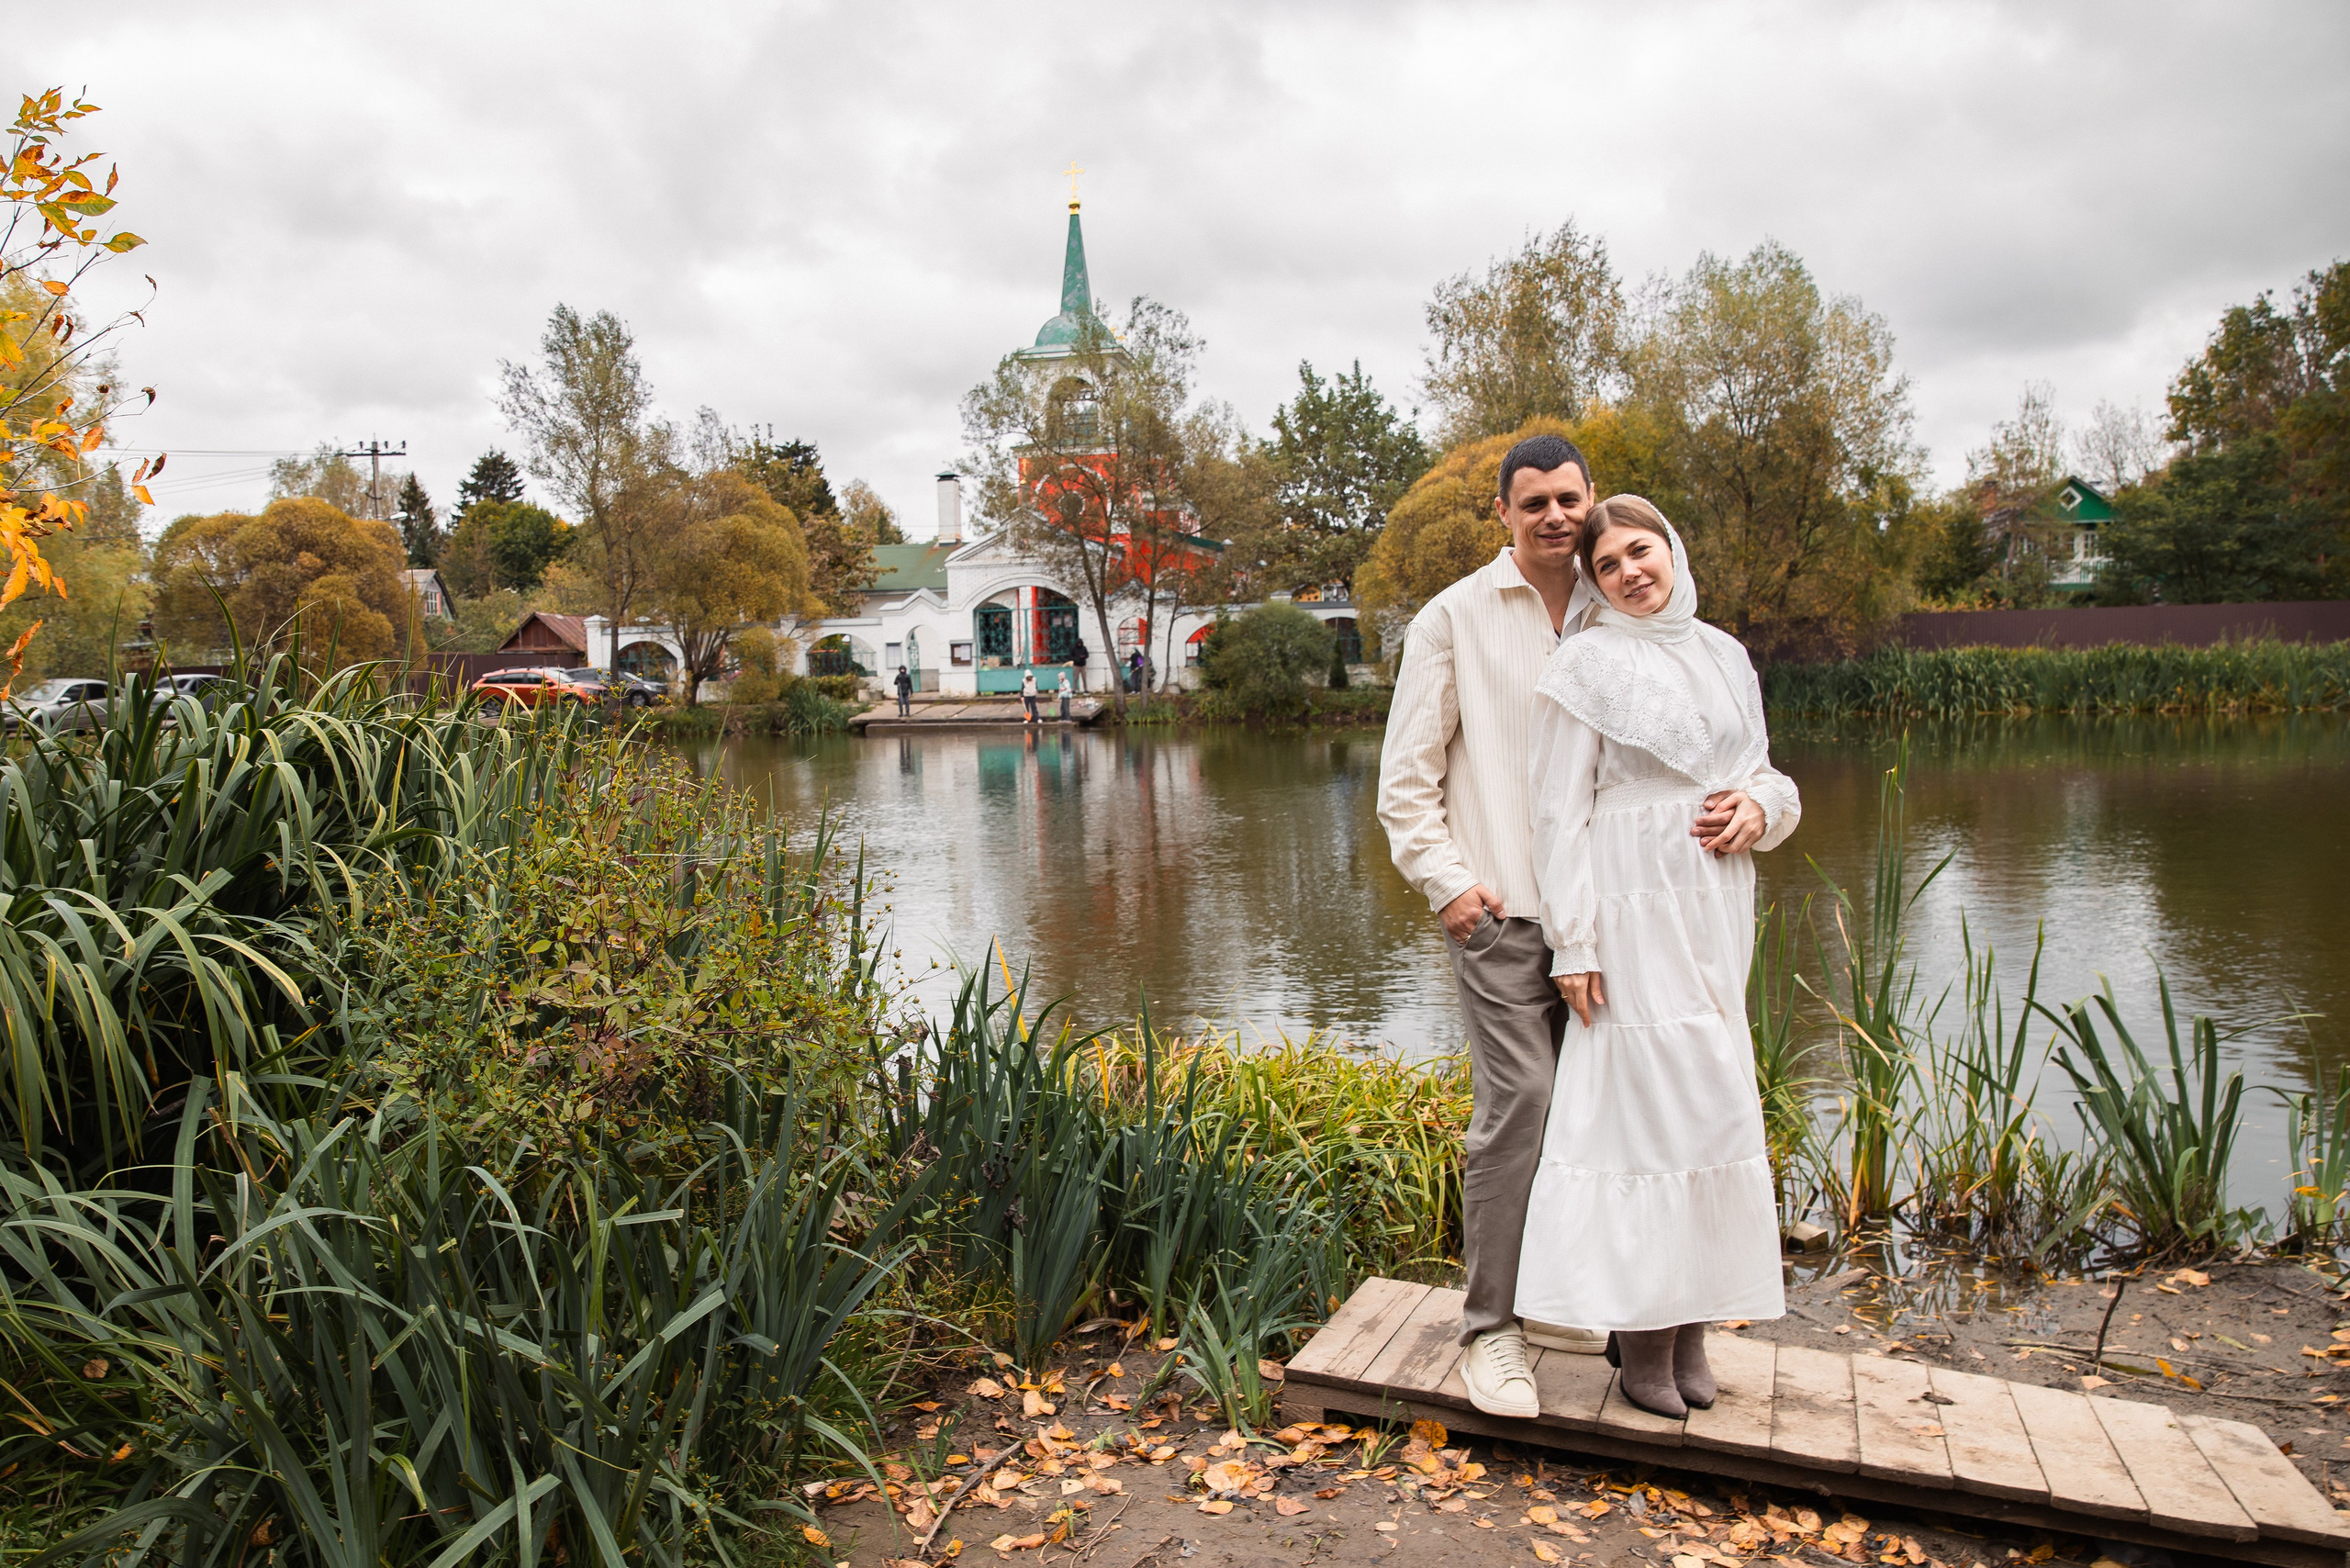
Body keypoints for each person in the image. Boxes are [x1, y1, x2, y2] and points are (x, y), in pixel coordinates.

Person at [1516, 495, 1798, 1419]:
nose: (1630, 572)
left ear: (1671, 549)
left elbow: (1760, 770)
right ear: (1595, 585)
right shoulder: (1586, 664)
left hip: (1714, 899)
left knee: (1712, 1104)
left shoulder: (1725, 654)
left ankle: (1689, 1329)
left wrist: (1760, 809)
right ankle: (1638, 1338)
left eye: (1640, 551)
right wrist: (1574, 939)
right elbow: (1556, 811)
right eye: (1608, 566)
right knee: (1645, 1109)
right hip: (1628, 900)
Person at [1376, 434, 1629, 1419]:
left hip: (1608, 924)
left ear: (1590, 498)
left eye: (1570, 499)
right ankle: (1491, 1331)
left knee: (1604, 1109)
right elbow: (1407, 778)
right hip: (1504, 918)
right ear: (1504, 514)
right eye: (1535, 504)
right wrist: (1450, 887)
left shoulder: (1622, 604)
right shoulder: (1455, 618)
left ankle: (1573, 1303)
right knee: (1521, 1101)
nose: (1556, 517)